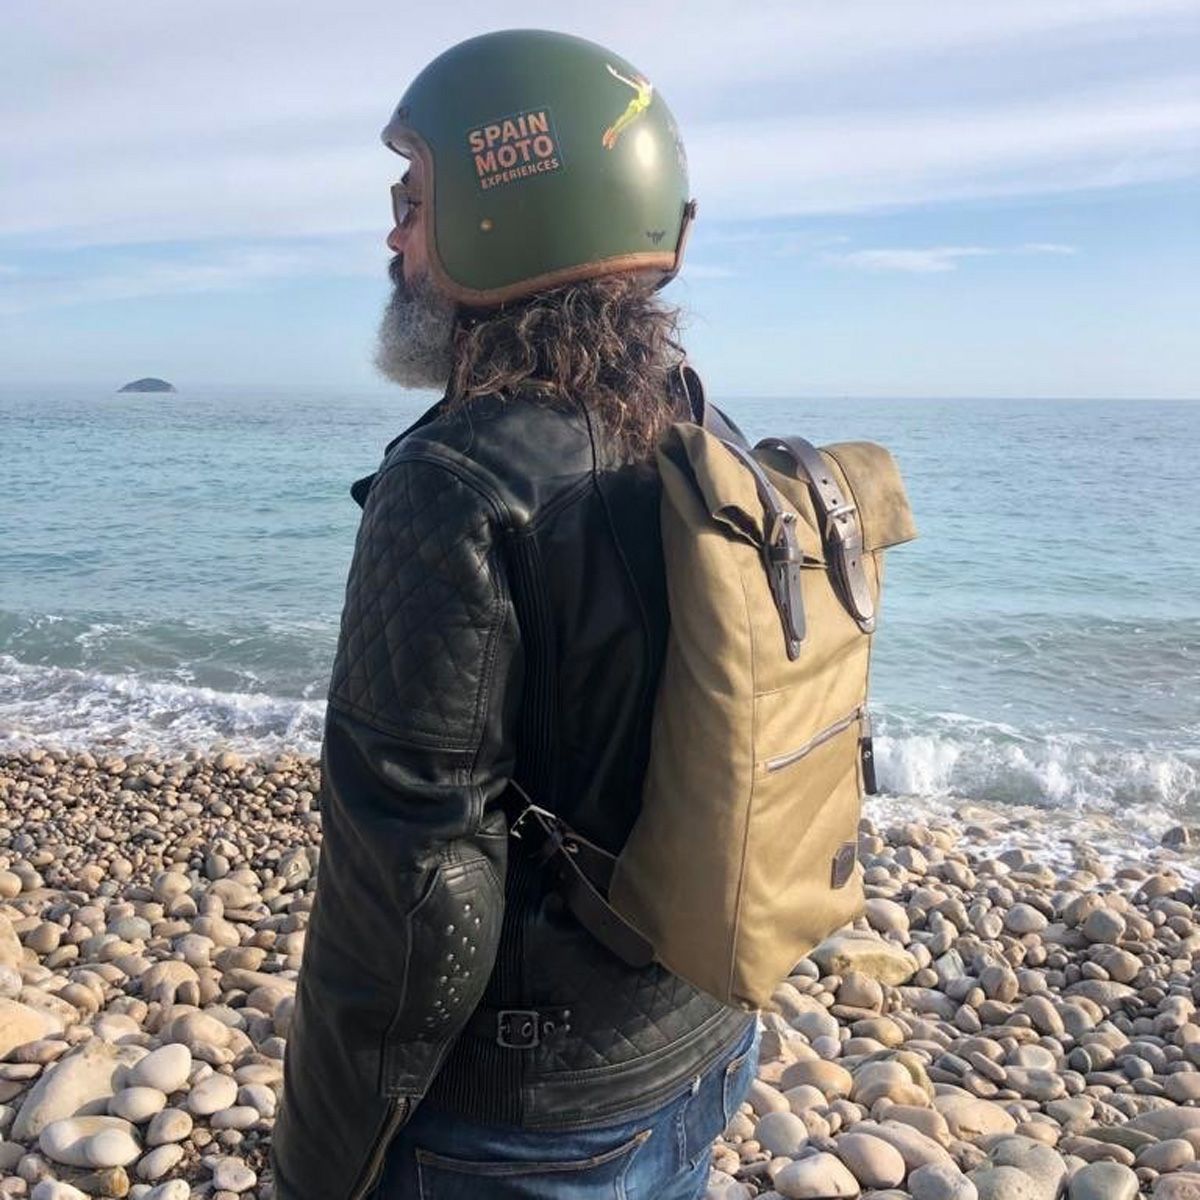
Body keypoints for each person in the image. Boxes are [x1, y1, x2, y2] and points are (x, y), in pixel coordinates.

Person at [271, 29, 759, 1200]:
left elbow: (413, 897)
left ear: (507, 211)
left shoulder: (453, 483)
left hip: (523, 1131)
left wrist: (315, 1167)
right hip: (699, 1051)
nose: (393, 236)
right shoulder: (695, 421)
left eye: (412, 197)